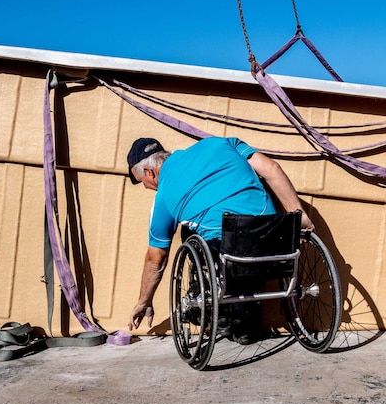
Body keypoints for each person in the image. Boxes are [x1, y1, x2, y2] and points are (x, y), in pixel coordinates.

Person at [126, 135, 314, 344]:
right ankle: (244, 323)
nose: (147, 187)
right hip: (272, 239)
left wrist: (144, 302)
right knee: (231, 233)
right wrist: (300, 215)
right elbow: (272, 169)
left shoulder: (163, 196)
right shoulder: (221, 143)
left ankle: (218, 310)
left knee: (190, 234)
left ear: (150, 172)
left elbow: (156, 261)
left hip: (230, 252)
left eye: (143, 182)